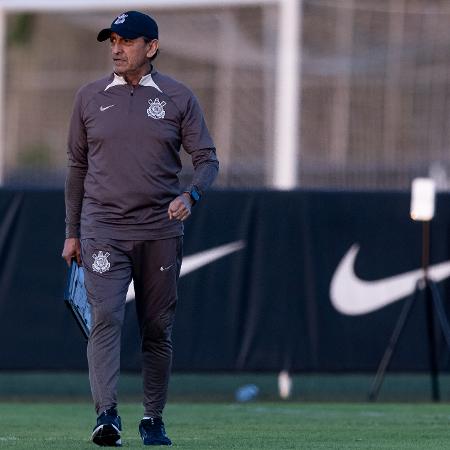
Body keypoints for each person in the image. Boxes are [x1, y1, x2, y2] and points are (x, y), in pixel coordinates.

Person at [61, 10, 219, 447]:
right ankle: (106, 415)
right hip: (102, 229)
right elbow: (77, 166)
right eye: (112, 40)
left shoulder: (178, 97)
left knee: (156, 328)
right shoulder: (89, 97)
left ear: (151, 47)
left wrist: (191, 196)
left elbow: (207, 160)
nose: (116, 48)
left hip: (159, 232)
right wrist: (72, 231)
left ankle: (152, 419)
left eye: (126, 41)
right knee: (107, 317)